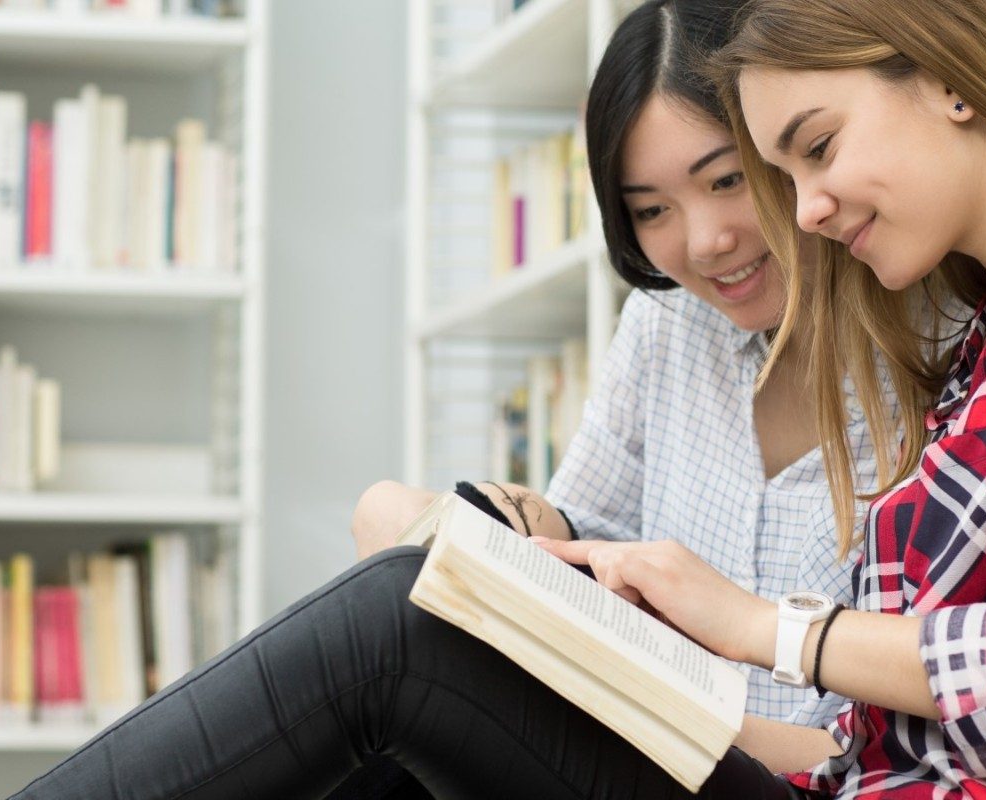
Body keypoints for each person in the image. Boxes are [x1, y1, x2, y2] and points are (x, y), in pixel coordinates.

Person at [10, 0, 986, 797]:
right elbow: (899, 736)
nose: (801, 213)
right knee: (401, 714)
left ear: (948, 72)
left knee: (393, 639)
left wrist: (758, 628)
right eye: (779, 169)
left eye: (811, 152)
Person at [353, 0, 913, 728]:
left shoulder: (942, 342)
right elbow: (587, 524)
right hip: (654, 754)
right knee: (386, 537)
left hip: (832, 772)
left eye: (726, 180)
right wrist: (485, 523)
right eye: (651, 211)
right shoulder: (667, 322)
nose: (704, 241)